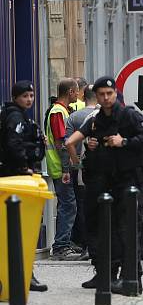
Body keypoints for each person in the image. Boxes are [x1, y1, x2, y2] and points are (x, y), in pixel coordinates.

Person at [65, 77, 143, 293]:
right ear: (96, 96)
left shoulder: (130, 115)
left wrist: (124, 142)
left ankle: (132, 278)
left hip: (130, 182)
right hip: (108, 182)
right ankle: (108, 274)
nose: (106, 98)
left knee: (128, 229)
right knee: (109, 230)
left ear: (115, 93)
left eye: (109, 93)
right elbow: (72, 141)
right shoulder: (96, 120)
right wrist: (87, 150)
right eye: (102, 94)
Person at [0, 81, 48, 292]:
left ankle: (24, 274)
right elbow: (13, 142)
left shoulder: (14, 114)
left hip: (13, 177)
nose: (29, 99)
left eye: (31, 95)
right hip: (16, 177)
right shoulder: (15, 116)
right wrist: (24, 167)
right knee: (20, 229)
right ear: (16, 97)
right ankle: (24, 275)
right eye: (25, 96)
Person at [47, 78, 80, 260]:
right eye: (76, 92)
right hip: (61, 168)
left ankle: (64, 243)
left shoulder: (62, 111)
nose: (78, 95)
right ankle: (61, 246)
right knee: (68, 206)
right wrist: (67, 168)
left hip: (61, 167)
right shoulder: (58, 112)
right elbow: (62, 143)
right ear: (70, 92)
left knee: (67, 205)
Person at [65, 85, 98, 257]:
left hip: (82, 171)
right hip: (103, 172)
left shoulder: (74, 117)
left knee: (84, 208)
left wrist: (76, 162)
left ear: (83, 97)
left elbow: (67, 142)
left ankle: (86, 246)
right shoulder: (104, 115)